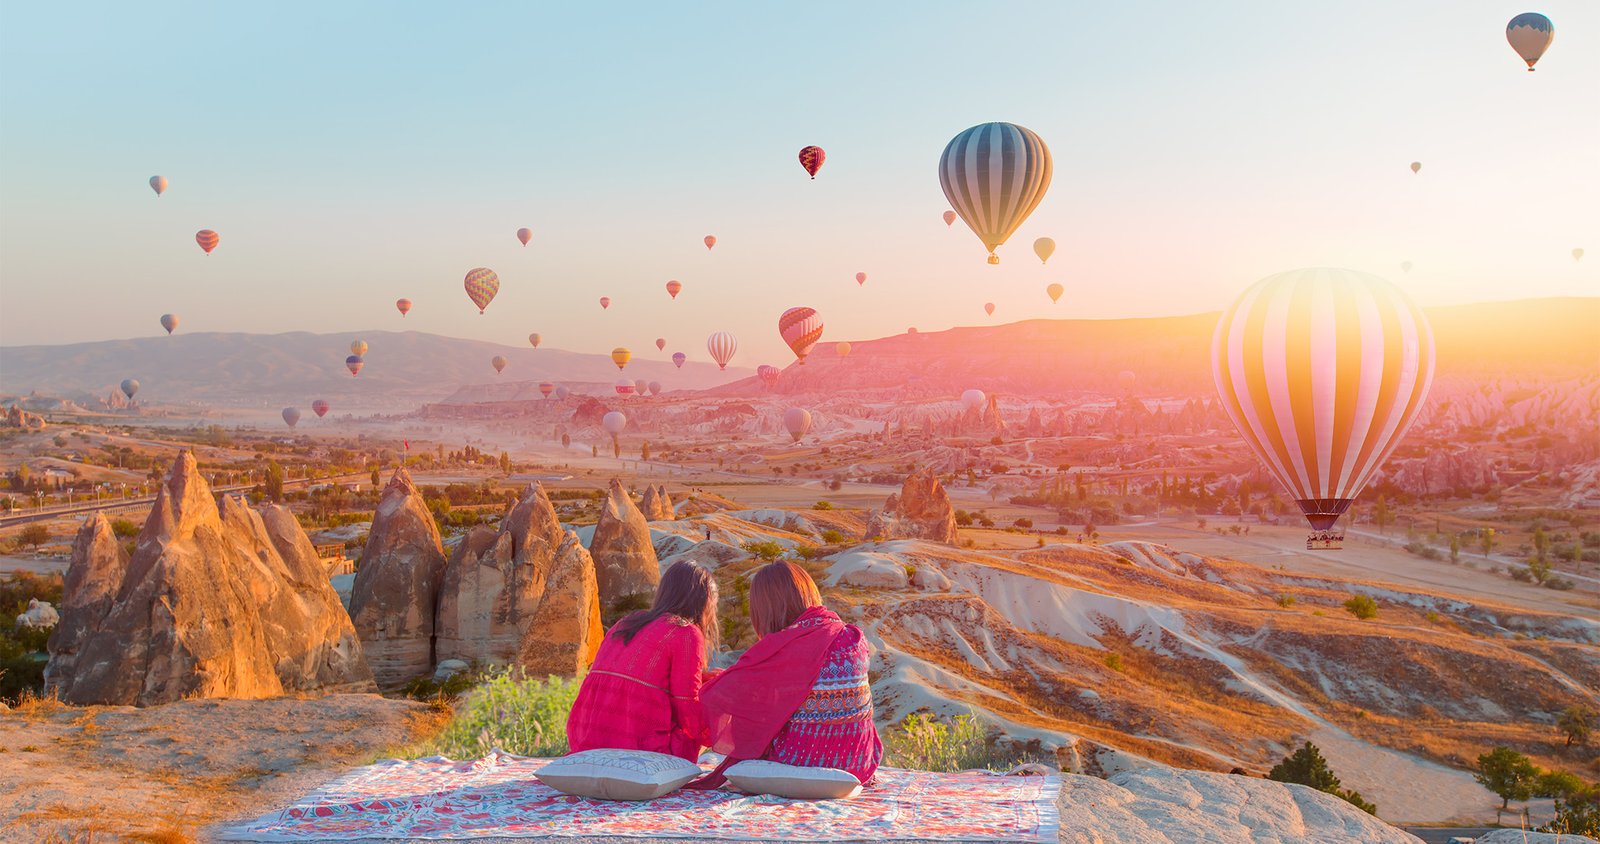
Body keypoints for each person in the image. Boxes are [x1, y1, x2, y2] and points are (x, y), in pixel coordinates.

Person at [691, 561, 881, 789]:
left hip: (797, 760)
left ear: (765, 608)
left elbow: (717, 697)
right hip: (859, 762)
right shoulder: (851, 636)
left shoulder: (780, 648)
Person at [566, 561, 718, 762]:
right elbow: (688, 711)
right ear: (703, 602)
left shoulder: (627, 622)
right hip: (642, 753)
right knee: (720, 688)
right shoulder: (685, 632)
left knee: (711, 682)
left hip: (585, 745)